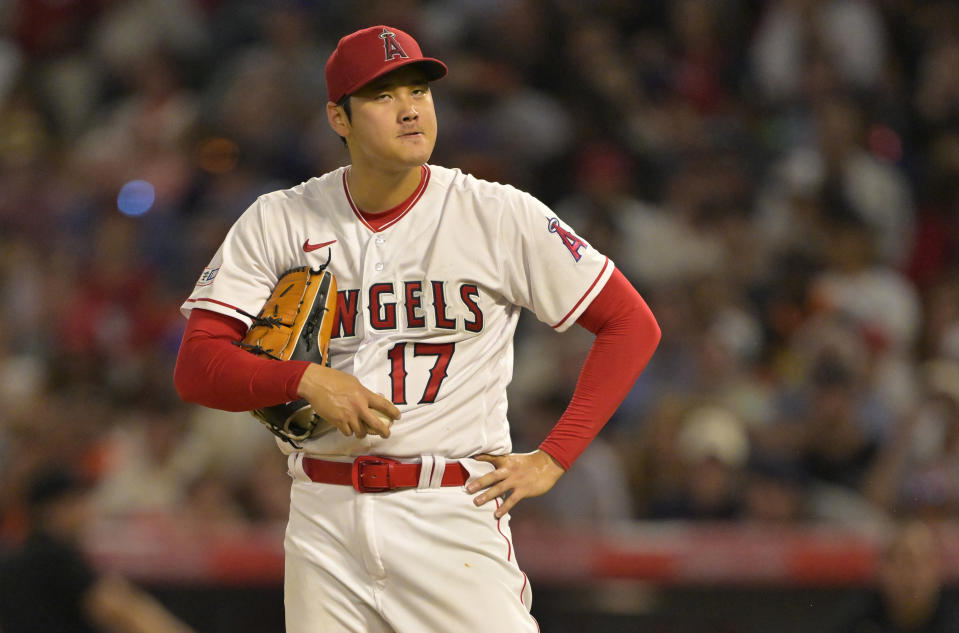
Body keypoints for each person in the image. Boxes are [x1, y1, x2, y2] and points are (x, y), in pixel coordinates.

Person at [174, 24, 660, 633]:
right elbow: (197, 368)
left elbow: (630, 324)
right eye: (382, 96)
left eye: (418, 91)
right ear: (338, 118)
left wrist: (554, 458)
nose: (409, 110)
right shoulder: (279, 219)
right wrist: (304, 379)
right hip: (324, 517)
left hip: (451, 510)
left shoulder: (495, 212)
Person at [0, 468, 197, 633]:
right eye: (78, 502)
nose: (87, 512)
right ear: (53, 509)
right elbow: (117, 611)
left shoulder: (12, 559)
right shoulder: (57, 558)